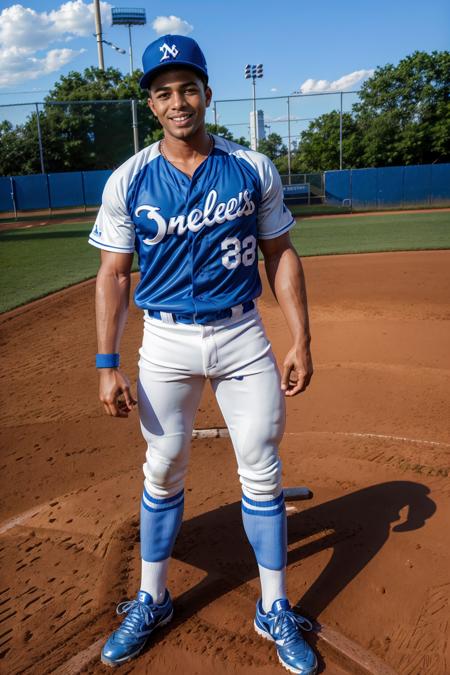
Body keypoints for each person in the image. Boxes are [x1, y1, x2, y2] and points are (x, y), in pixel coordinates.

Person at [89, 33, 317, 674]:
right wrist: (107, 365)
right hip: (164, 339)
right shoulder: (130, 178)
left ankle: (275, 609)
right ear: (153, 105)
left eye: (188, 88)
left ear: (208, 94)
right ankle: (152, 598)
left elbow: (281, 255)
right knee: (161, 467)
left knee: (262, 465)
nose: (178, 101)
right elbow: (112, 275)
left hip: (243, 334)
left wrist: (301, 337)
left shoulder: (252, 167)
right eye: (164, 92)